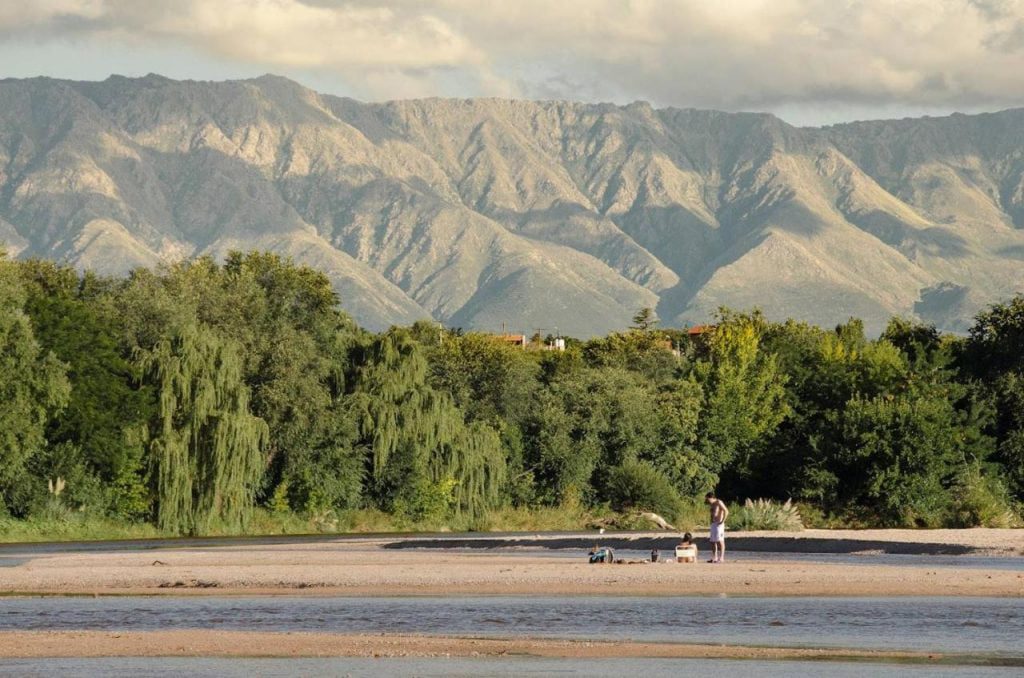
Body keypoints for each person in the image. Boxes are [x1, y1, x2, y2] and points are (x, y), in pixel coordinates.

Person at [705, 491, 729, 563]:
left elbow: (726, 511)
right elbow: (712, 514)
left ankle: (721, 557)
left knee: (720, 540)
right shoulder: (712, 504)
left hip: (719, 524)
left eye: (708, 499)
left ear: (711, 498)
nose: (707, 501)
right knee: (712, 541)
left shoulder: (719, 502)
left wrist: (722, 521)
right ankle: (714, 557)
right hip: (713, 524)